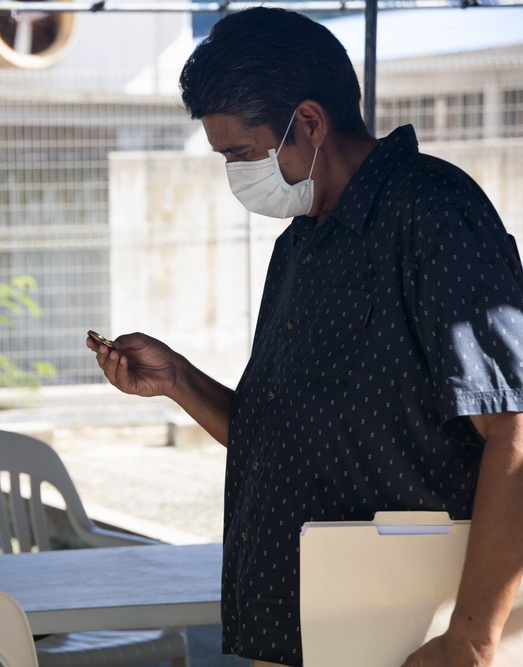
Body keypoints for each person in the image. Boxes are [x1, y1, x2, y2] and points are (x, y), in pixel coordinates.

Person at [89, 8, 523, 667]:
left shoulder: (433, 213)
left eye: (241, 154)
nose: (236, 174)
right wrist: (179, 380)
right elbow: (279, 440)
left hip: (400, 634)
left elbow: (513, 430)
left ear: (311, 122)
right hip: (293, 629)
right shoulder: (300, 243)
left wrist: (471, 638)